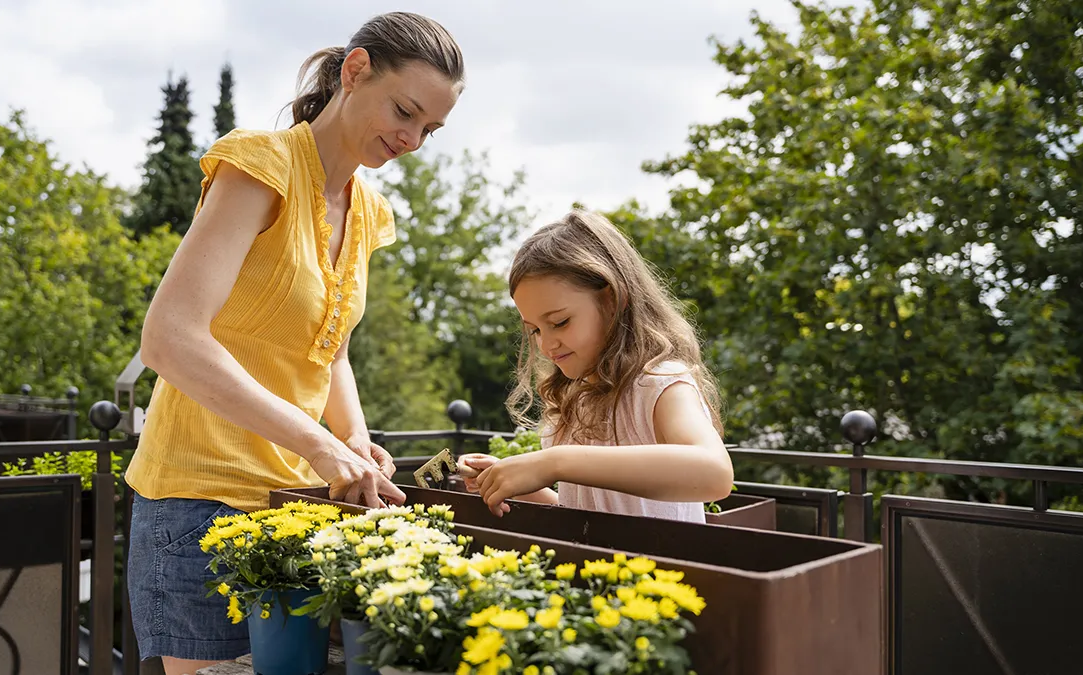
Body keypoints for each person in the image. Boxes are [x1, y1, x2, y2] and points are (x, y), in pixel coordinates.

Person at [123, 12, 465, 674]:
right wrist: (319, 442)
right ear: (356, 69)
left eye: (430, 128)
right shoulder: (262, 164)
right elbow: (169, 338)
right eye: (405, 110)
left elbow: (328, 346)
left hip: (293, 506)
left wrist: (354, 438)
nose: (412, 138)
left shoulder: (366, 211)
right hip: (199, 501)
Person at [457, 209, 734, 520]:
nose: (546, 345)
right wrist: (518, 480)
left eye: (559, 322)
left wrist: (553, 463)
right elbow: (584, 515)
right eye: (535, 329)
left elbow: (715, 474)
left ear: (612, 300)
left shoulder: (660, 382)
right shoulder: (574, 397)